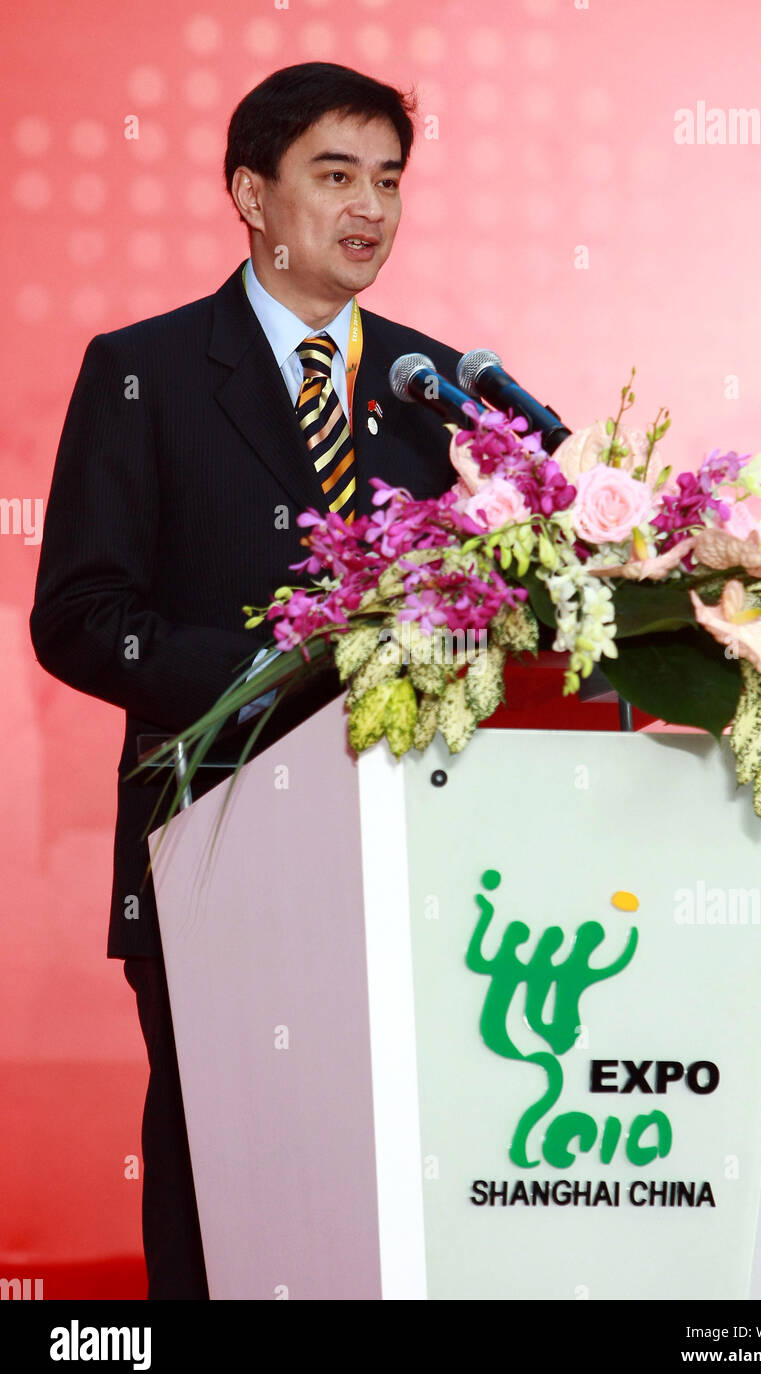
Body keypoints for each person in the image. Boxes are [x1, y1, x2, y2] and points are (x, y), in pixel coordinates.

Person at [29, 61, 464, 1300]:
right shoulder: (146, 373)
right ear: (250, 195)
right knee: (222, 1156)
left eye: (388, 179)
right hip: (212, 836)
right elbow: (77, 616)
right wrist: (289, 675)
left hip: (415, 846)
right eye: (334, 176)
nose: (369, 206)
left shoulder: (432, 389)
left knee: (395, 1154)